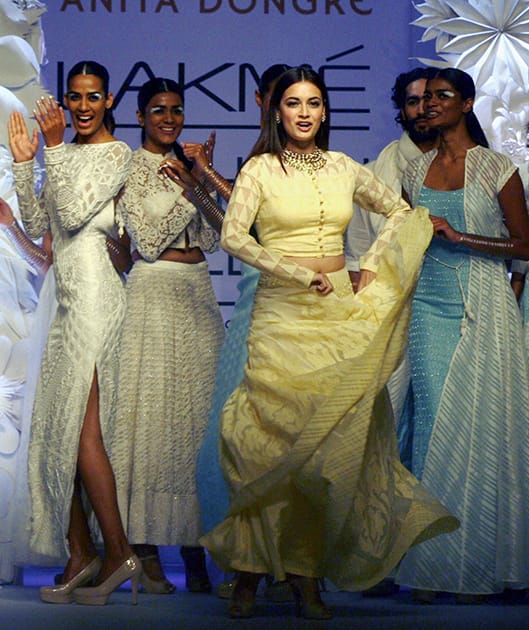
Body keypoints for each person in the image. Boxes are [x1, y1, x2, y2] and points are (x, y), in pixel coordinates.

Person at [200, 65, 458, 620]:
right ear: (277, 111)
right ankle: (247, 571)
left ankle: (305, 576)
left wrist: (367, 264)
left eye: (313, 103)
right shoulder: (261, 170)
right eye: (292, 103)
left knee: (323, 451)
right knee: (263, 441)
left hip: (336, 310)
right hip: (281, 314)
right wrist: (295, 273)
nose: (303, 113)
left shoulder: (344, 167)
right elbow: (232, 236)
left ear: (324, 111)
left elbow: (400, 211)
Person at [8, 60, 140, 605]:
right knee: (51, 433)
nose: (83, 107)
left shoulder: (116, 154)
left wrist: (53, 149)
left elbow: (74, 207)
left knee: (82, 434)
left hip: (95, 300)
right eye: (75, 97)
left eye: (93, 97)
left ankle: (118, 551)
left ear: (107, 101)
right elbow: (42, 223)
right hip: (64, 302)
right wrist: (24, 163)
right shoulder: (65, 151)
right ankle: (80, 552)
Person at [395, 68, 529, 602]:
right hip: (428, 300)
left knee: (481, 427)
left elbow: (524, 245)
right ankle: (433, 560)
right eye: (424, 99)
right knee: (429, 420)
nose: (428, 105)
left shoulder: (499, 168)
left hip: (484, 301)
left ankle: (477, 561)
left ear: (467, 103)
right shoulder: (416, 168)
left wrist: (461, 234)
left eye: (441, 97)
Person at [110, 78, 225, 595]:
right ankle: (145, 548)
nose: (169, 119)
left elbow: (220, 235)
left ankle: (195, 546)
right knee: (152, 421)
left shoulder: (185, 164)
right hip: (153, 292)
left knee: (200, 419)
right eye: (158, 111)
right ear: (139, 117)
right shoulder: (130, 168)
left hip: (197, 289)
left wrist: (201, 178)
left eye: (177, 110)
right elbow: (150, 242)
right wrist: (185, 188)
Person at [195, 64, 292, 601]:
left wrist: (207, 175)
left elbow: (262, 214)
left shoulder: (298, 157)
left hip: (283, 296)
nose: (286, 109)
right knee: (232, 433)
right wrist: (197, 190)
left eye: (297, 100)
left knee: (279, 431)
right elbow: (237, 230)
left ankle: (287, 561)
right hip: (254, 295)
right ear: (261, 99)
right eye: (278, 98)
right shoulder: (260, 150)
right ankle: (245, 556)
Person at [345, 66, 438, 426]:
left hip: (451, 301)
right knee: (383, 414)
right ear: (401, 109)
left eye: (430, 100)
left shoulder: (471, 169)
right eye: (413, 101)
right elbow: (357, 254)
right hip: (387, 307)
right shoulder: (370, 176)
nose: (422, 109)